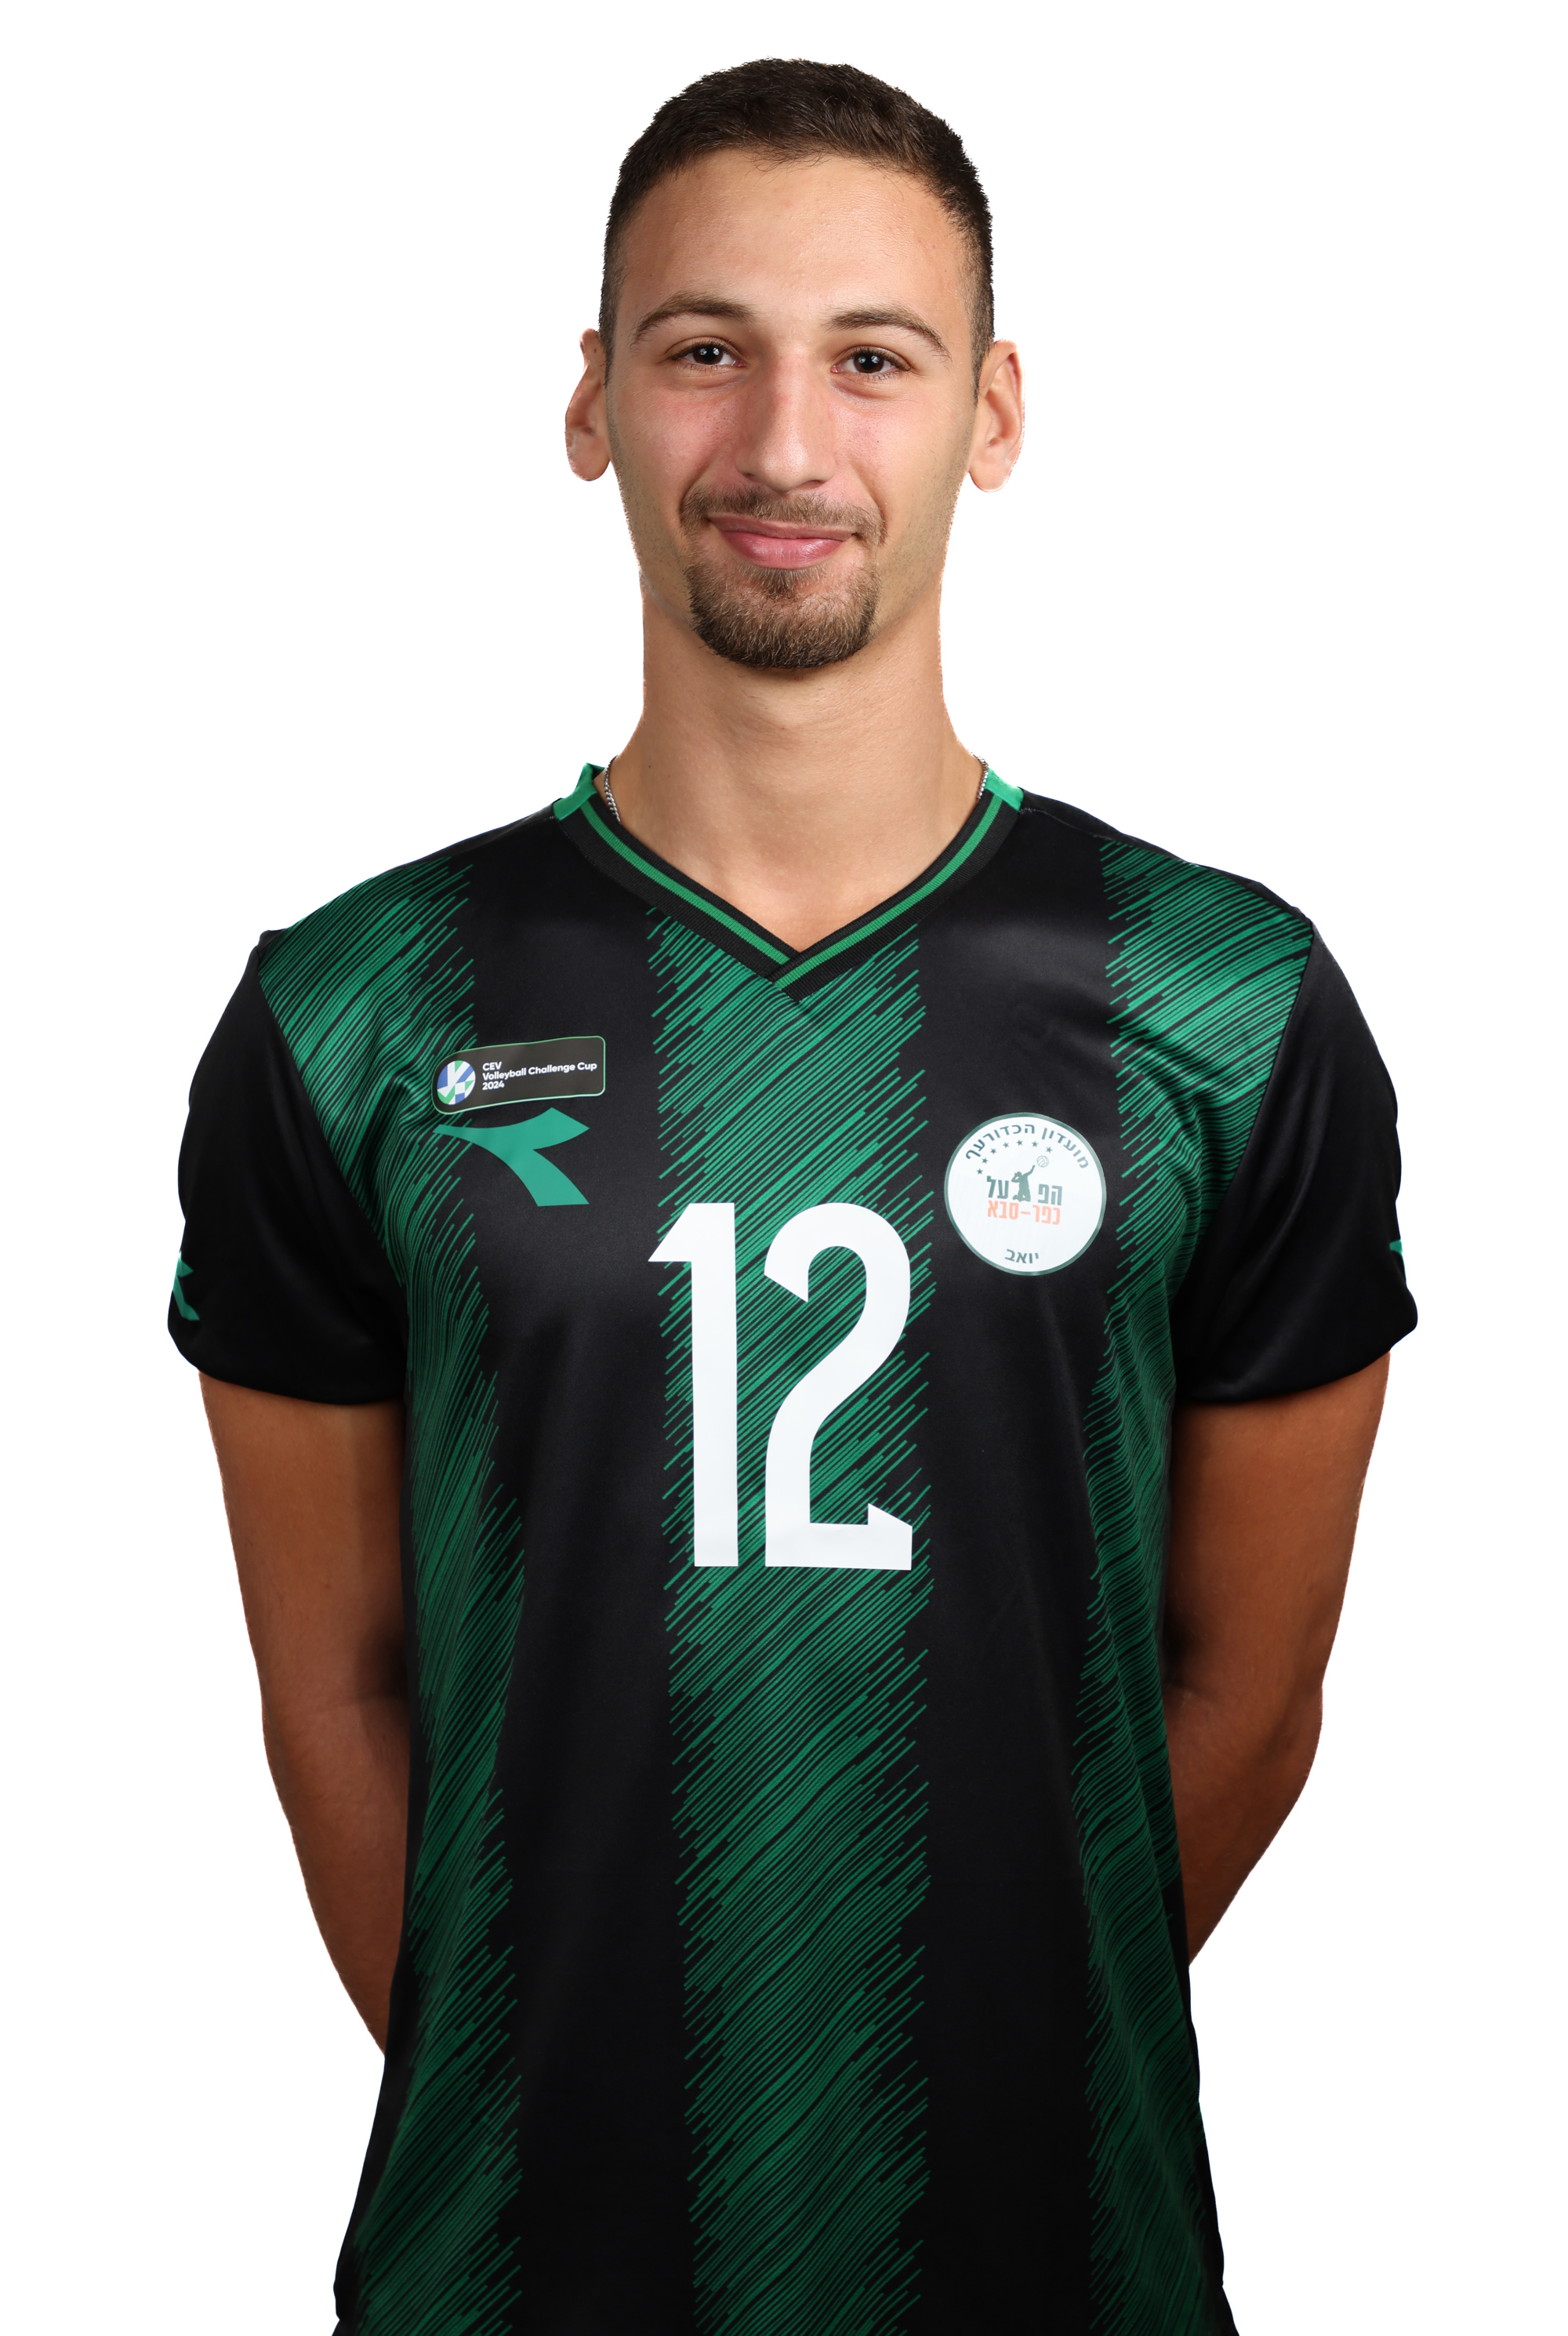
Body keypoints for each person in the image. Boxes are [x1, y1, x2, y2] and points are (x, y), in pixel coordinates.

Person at [169, 57, 1415, 2335]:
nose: (782, 444)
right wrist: (549, 2097)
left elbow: (1247, 1690)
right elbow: (334, 1693)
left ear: (993, 413)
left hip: (1058, 2266)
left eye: (873, 358)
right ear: (591, 401)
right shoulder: (351, 1014)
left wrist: (971, 2069)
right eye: (703, 349)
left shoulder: (1225, 1005)